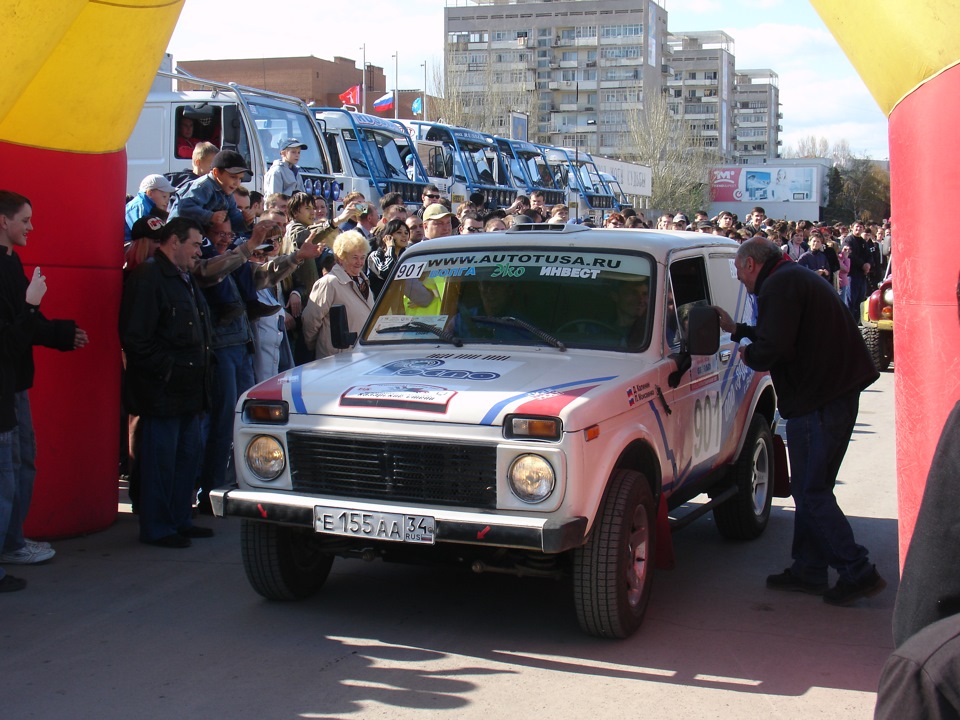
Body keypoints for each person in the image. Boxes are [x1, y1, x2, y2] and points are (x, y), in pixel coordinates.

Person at [714, 238, 884, 606]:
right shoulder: (789, 278)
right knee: (812, 488)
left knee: (811, 491)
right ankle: (809, 568)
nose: (740, 281)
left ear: (751, 265)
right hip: (828, 395)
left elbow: (775, 348)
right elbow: (783, 334)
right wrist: (740, 329)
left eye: (739, 273)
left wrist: (746, 351)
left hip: (821, 400)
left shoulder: (780, 286)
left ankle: (857, 569)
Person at [0, 191, 89, 582]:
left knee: (22, 463)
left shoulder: (11, 261)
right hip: (4, 387)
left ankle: (12, 542)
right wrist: (34, 306)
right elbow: (11, 333)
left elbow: (24, 324)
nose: (31, 227)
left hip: (15, 383)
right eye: (24, 219)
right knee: (6, 474)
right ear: (3, 221)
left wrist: (62, 333)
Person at [119, 218, 216, 547]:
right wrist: (168, 371)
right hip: (163, 392)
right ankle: (159, 527)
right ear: (173, 240)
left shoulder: (183, 277)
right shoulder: (149, 277)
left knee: (186, 458)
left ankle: (178, 519)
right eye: (194, 244)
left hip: (188, 389)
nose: (197, 252)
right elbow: (136, 338)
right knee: (161, 461)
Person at [301, 231, 375, 360]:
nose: (359, 262)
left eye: (362, 257)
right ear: (341, 257)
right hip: (335, 358)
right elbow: (311, 320)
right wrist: (318, 345)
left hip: (361, 355)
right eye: (354, 257)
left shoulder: (364, 282)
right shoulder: (329, 282)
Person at [170, 149, 256, 235]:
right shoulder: (204, 186)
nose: (237, 183)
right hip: (178, 234)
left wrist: (246, 220)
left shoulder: (227, 193)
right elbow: (185, 208)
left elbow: (233, 218)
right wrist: (210, 216)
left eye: (240, 178)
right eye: (233, 177)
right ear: (216, 172)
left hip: (197, 236)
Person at [125, 174, 176, 243]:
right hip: (129, 244)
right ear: (150, 193)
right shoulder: (140, 207)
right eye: (164, 197)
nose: (167, 202)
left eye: (168, 197)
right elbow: (141, 236)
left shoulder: (148, 206)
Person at [367, 218, 410, 298]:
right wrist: (390, 248)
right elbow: (387, 272)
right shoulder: (375, 255)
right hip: (381, 306)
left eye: (406, 232)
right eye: (399, 232)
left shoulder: (406, 257)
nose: (404, 235)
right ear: (388, 236)